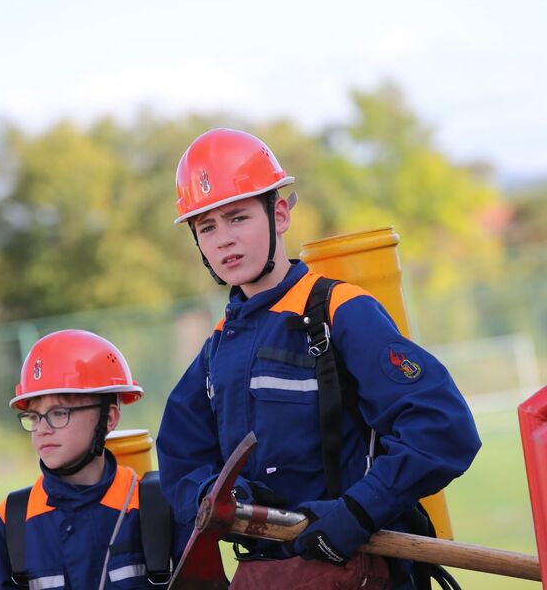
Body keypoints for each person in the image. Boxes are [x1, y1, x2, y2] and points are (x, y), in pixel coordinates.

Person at [156, 128, 482, 589]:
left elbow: (443, 429)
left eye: (237, 217)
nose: (224, 239)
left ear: (280, 213)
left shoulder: (340, 311)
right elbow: (180, 458)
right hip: (263, 576)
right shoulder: (218, 346)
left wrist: (356, 511)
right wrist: (217, 499)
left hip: (357, 570)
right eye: (206, 227)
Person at [0, 329, 161, 589]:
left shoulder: (153, 506)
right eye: (33, 416)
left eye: (59, 412)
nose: (42, 428)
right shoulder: (12, 518)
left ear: (108, 418)